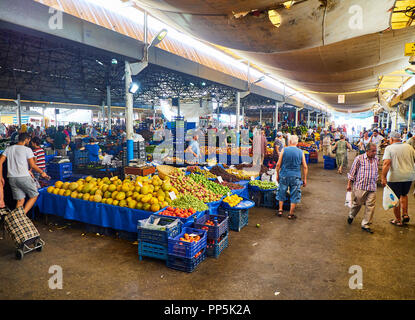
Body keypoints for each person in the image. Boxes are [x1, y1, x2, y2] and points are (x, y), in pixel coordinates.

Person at [0, 133, 50, 214]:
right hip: (24, 177)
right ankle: (22, 215)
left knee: (20, 200)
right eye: (29, 140)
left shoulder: (9, 149)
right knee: (34, 195)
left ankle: (17, 219)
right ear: (26, 139)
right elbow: (32, 165)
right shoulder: (27, 150)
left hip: (12, 178)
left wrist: (1, 176)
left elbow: (0, 162)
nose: (29, 142)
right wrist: (42, 172)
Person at [381, 131, 415, 227]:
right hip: (409, 176)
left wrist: (383, 177)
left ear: (391, 139)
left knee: (395, 199)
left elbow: (386, 163)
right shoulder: (409, 147)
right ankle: (405, 214)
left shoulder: (389, 148)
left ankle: (398, 220)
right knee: (404, 195)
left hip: (395, 177)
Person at [346, 143, 378, 233]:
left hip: (372, 186)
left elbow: (375, 172)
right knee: (357, 204)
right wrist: (349, 184)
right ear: (367, 151)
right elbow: (352, 173)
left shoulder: (376, 159)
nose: (375, 153)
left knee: (370, 206)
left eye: (375, 151)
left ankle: (365, 224)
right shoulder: (359, 159)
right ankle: (351, 215)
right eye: (373, 151)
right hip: (360, 186)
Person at [275, 135, 308, 220]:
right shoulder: (301, 152)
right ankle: (290, 214)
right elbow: (305, 166)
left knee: (281, 192)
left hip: (284, 175)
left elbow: (278, 164)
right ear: (297, 143)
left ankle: (280, 210)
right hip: (296, 176)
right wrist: (305, 179)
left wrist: (277, 175)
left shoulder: (284, 150)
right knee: (294, 194)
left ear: (289, 142)